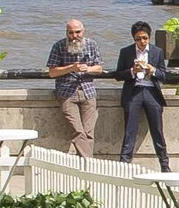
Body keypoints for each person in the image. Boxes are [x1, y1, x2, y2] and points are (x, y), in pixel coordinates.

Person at [116, 19, 172, 171]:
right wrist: (132, 71)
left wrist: (152, 70)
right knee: (129, 130)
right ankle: (124, 164)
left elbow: (164, 75)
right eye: (138, 39)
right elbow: (118, 75)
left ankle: (164, 165)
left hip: (151, 92)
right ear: (134, 38)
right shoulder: (126, 52)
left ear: (149, 37)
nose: (142, 41)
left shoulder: (157, 52)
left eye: (144, 38)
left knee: (158, 130)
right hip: (134, 91)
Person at [46, 18, 104, 158]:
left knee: (88, 132)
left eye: (77, 32)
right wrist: (71, 67)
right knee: (77, 131)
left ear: (83, 31)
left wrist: (88, 69)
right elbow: (52, 72)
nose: (74, 36)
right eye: (71, 33)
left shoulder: (92, 44)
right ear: (66, 33)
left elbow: (99, 68)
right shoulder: (58, 46)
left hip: (88, 91)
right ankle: (90, 166)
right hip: (66, 93)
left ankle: (84, 168)